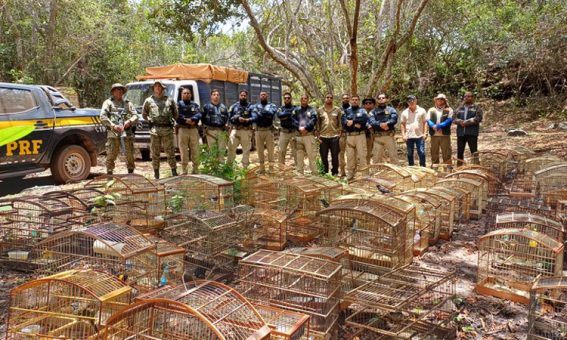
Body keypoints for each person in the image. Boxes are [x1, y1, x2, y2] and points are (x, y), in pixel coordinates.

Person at [142, 80, 178, 179]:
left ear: (163, 88)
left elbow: (176, 114)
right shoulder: (149, 101)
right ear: (153, 88)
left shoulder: (169, 100)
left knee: (170, 152)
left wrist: (172, 122)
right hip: (155, 131)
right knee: (155, 153)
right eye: (156, 86)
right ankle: (156, 173)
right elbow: (144, 114)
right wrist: (149, 119)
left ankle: (174, 171)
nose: (157, 88)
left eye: (159, 86)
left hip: (167, 130)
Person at [100, 83, 138, 175]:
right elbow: (102, 117)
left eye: (121, 90)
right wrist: (113, 125)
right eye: (117, 89)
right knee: (111, 153)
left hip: (126, 132)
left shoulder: (128, 103)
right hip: (113, 132)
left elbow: (135, 116)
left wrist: (129, 121)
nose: (119, 91)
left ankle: (130, 173)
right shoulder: (108, 103)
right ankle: (109, 174)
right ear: (113, 92)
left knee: (129, 154)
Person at [342, 95, 369, 180]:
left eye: (356, 100)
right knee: (350, 156)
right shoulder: (346, 111)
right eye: (353, 100)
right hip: (350, 136)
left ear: (359, 101)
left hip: (360, 136)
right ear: (350, 101)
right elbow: (343, 121)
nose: (354, 101)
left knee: (362, 155)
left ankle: (365, 174)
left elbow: (364, 119)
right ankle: (350, 174)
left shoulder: (362, 110)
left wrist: (352, 121)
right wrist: (351, 122)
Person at [454, 91, 483, 165]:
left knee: (474, 152)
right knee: (460, 152)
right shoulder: (460, 108)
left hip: (472, 133)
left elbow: (478, 118)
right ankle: (459, 168)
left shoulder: (476, 107)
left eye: (468, 96)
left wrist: (467, 122)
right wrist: (460, 122)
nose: (466, 98)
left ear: (472, 97)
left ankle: (476, 167)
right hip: (461, 133)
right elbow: (453, 118)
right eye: (465, 96)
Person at [368, 93, 399, 165]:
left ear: (386, 99)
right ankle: (375, 173)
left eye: (383, 98)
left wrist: (387, 123)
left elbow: (394, 119)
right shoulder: (373, 111)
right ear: (377, 100)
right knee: (376, 157)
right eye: (379, 98)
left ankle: (397, 174)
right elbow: (371, 121)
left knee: (393, 156)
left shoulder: (391, 110)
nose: (381, 99)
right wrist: (380, 125)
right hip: (378, 137)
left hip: (389, 137)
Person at [176, 87, 201, 174]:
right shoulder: (178, 105)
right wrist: (186, 120)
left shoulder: (195, 105)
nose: (186, 95)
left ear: (190, 95)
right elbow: (177, 115)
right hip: (183, 129)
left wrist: (193, 119)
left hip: (193, 129)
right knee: (183, 150)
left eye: (188, 93)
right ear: (181, 95)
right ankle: (184, 169)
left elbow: (199, 114)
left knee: (195, 149)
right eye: (184, 93)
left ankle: (196, 168)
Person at [252, 91, 278, 172]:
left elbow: (271, 114)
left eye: (264, 95)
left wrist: (260, 112)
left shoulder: (272, 105)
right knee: (259, 150)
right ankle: (262, 168)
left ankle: (271, 168)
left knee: (270, 150)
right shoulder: (255, 106)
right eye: (261, 95)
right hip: (258, 131)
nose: (263, 96)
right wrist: (264, 114)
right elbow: (254, 117)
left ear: (267, 96)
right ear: (259, 96)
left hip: (268, 130)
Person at [292, 94, 318, 174]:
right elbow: (293, 120)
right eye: (302, 98)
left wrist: (306, 128)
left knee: (312, 156)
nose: (304, 100)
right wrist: (299, 128)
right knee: (299, 156)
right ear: (300, 100)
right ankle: (300, 174)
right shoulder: (296, 110)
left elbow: (314, 120)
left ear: (308, 100)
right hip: (299, 136)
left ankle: (315, 174)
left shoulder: (312, 110)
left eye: (305, 98)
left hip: (308, 136)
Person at [317, 93, 342, 176]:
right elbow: (317, 124)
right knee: (323, 156)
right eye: (327, 97)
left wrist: (339, 134)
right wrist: (318, 136)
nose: (329, 99)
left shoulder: (337, 110)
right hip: (323, 137)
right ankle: (325, 172)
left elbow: (340, 123)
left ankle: (335, 172)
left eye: (331, 97)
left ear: (332, 99)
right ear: (325, 98)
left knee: (335, 156)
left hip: (334, 137)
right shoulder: (320, 110)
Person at [227, 90, 254, 168]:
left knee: (246, 150)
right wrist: (237, 118)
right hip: (235, 130)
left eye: (244, 95)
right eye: (242, 95)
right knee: (231, 149)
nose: (243, 97)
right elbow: (229, 118)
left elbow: (255, 117)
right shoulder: (234, 106)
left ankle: (244, 168)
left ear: (247, 96)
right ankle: (229, 167)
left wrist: (247, 120)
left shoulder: (251, 106)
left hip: (246, 131)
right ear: (239, 96)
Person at [201, 89, 229, 162]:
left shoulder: (224, 107)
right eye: (214, 95)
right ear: (211, 96)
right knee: (213, 151)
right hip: (210, 131)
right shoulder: (206, 107)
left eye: (217, 95)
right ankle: (214, 169)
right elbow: (201, 118)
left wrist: (227, 125)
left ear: (219, 96)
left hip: (221, 131)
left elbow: (228, 117)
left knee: (221, 150)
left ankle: (221, 168)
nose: (216, 96)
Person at [400, 95, 427, 167]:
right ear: (407, 102)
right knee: (409, 153)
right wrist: (403, 135)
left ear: (416, 101)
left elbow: (425, 122)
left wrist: (425, 133)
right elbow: (402, 124)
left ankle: (423, 167)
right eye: (409, 101)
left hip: (420, 135)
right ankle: (411, 167)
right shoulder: (404, 112)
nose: (411, 102)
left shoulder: (422, 110)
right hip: (409, 136)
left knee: (421, 152)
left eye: (413, 100)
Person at [427, 93, 453, 165]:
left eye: (442, 99)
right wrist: (433, 125)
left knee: (446, 152)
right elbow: (428, 120)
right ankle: (435, 169)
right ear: (436, 100)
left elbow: (449, 120)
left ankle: (448, 168)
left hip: (445, 135)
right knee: (434, 152)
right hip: (434, 135)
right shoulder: (431, 110)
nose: (440, 100)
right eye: (438, 99)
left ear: (444, 101)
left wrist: (439, 126)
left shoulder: (449, 109)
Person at [277, 92, 297, 166]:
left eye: (288, 98)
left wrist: (285, 115)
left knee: (295, 151)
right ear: (283, 100)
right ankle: (281, 168)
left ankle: (299, 169)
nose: (287, 99)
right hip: (283, 132)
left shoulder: (295, 108)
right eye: (285, 98)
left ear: (291, 99)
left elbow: (297, 117)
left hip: (293, 132)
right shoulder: (281, 108)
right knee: (281, 151)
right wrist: (290, 113)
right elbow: (279, 115)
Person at [362, 98, 376, 164]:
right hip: (365, 135)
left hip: (377, 135)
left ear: (373, 104)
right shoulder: (361, 113)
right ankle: (366, 168)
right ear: (364, 105)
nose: (368, 104)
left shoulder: (377, 112)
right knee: (366, 153)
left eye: (370, 103)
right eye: (366, 103)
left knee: (376, 152)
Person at [339, 94, 350, 177]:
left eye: (347, 98)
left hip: (351, 134)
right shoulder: (338, 109)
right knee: (341, 153)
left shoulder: (353, 108)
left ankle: (351, 172)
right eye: (344, 98)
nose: (345, 99)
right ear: (341, 99)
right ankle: (342, 172)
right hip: (341, 134)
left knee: (351, 153)